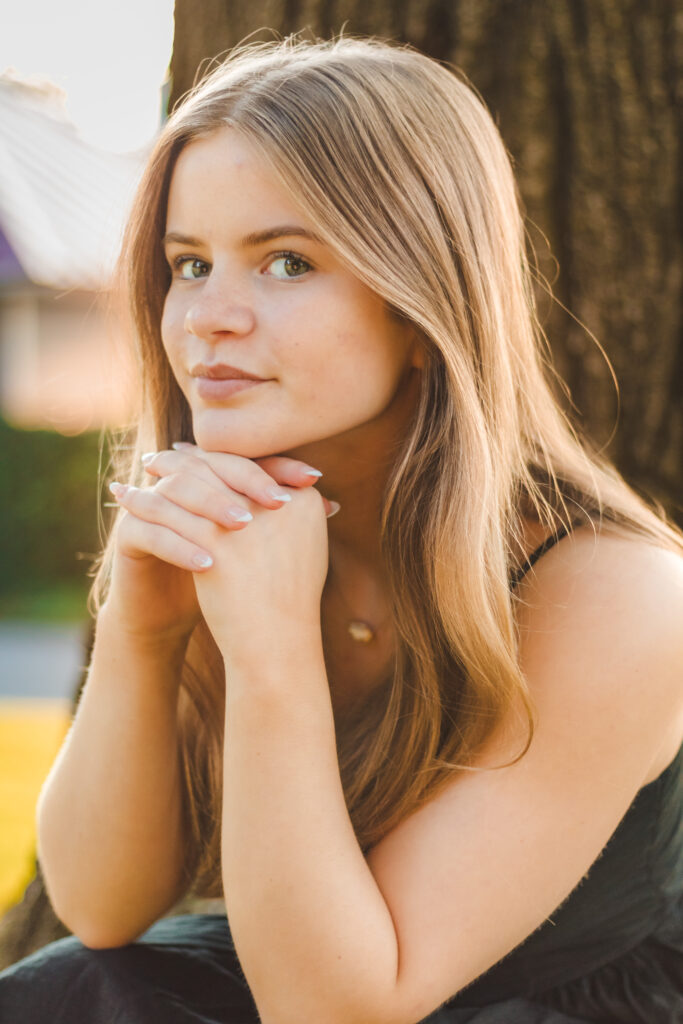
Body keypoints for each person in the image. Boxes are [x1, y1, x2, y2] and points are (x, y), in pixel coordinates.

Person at [0, 32, 681, 1024]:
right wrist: (143, 629)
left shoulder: (619, 596)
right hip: (313, 962)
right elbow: (101, 907)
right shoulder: (236, 523)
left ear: (421, 302)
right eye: (188, 264)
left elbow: (335, 1013)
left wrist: (273, 652)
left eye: (284, 262)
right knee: (70, 993)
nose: (206, 319)